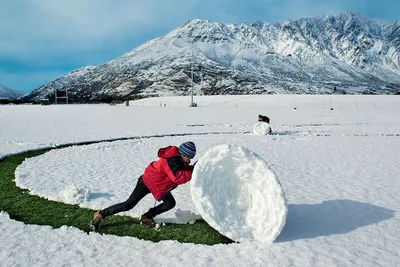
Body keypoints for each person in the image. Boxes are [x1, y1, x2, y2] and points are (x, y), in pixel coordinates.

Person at [90, 141, 197, 230]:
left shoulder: (179, 159)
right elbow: (178, 177)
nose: (189, 160)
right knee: (128, 205)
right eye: (188, 157)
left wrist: (194, 168)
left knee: (170, 203)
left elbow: (182, 170)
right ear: (182, 154)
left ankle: (147, 216)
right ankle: (101, 214)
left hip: (160, 186)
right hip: (147, 182)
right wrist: (193, 172)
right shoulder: (170, 159)